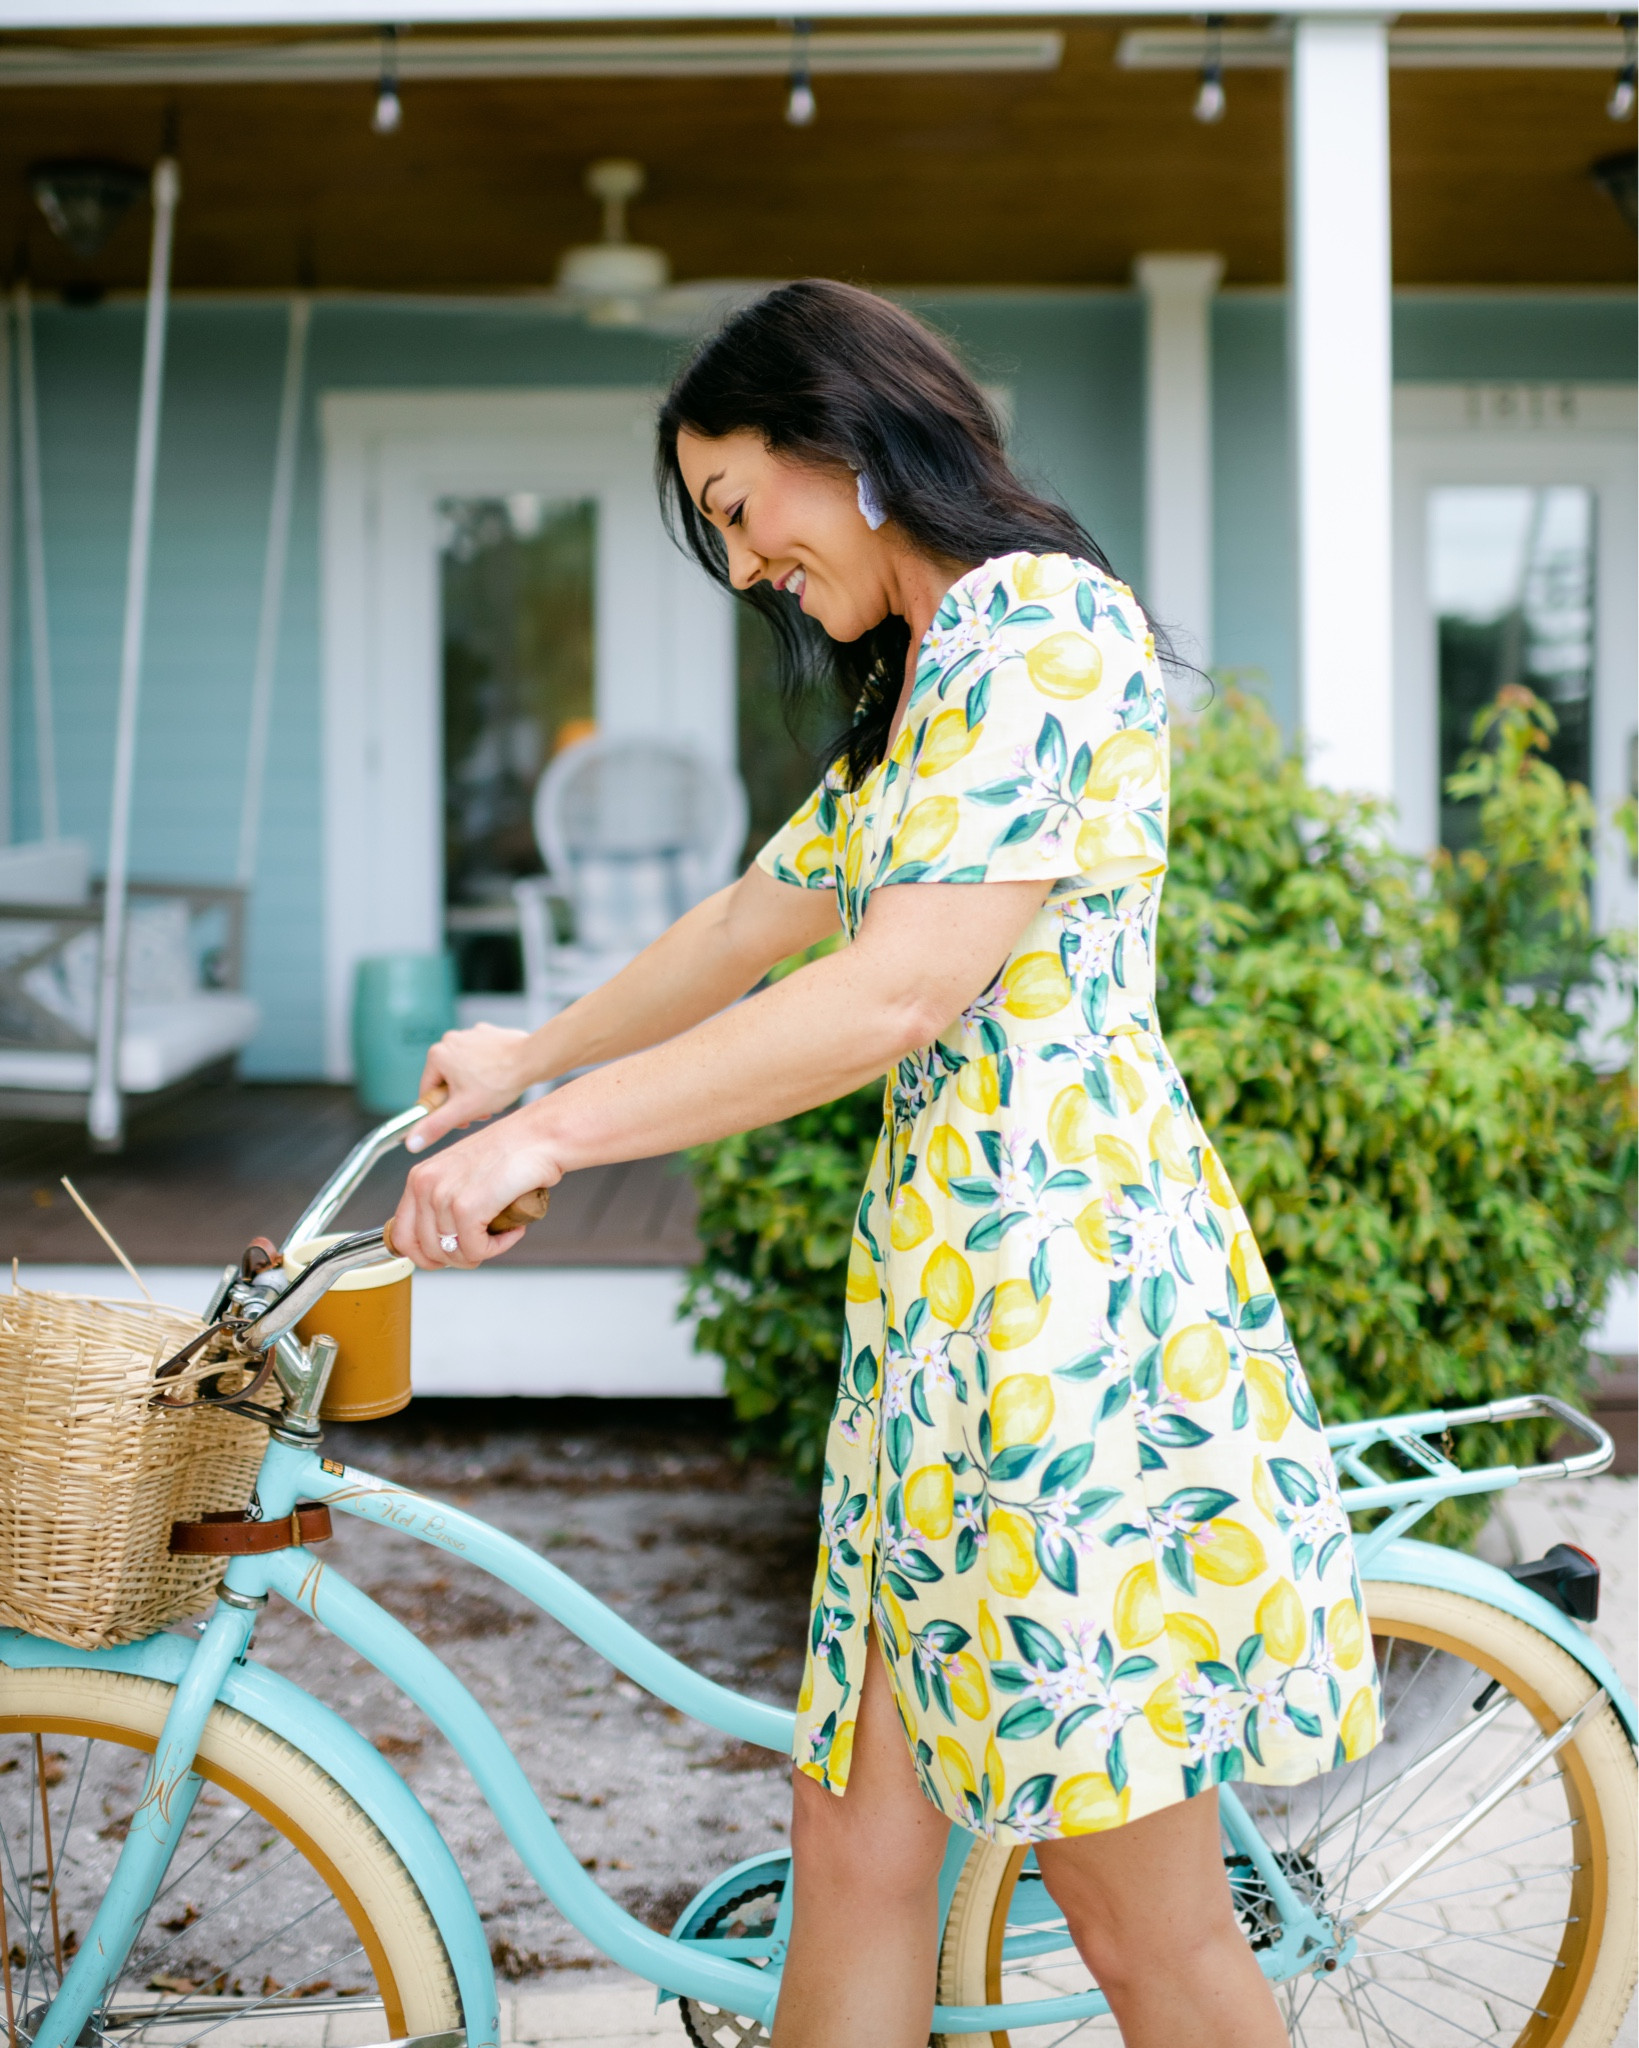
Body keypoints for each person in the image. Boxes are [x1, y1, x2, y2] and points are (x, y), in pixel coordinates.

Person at [392, 280, 1378, 2048]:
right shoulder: (924, 684)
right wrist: (526, 1060)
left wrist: (554, 1134)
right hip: (943, 1329)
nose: (743, 563)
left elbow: (897, 991)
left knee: (1142, 1929)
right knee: (852, 1848)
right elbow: (749, 922)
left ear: (840, 443)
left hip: (1064, 1328)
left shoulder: (1040, 627)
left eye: (736, 508)